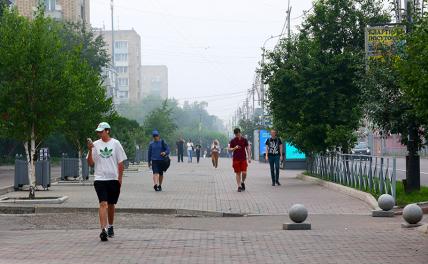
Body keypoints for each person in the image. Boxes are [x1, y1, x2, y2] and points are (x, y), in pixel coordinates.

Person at [87, 122, 127, 242]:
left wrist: (120, 179)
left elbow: (120, 163)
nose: (99, 133)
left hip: (113, 179)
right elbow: (90, 163)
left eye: (101, 131)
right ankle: (103, 229)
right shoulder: (94, 144)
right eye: (98, 131)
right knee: (103, 203)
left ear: (107, 131)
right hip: (100, 179)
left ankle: (110, 226)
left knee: (111, 204)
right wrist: (89, 151)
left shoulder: (115, 143)